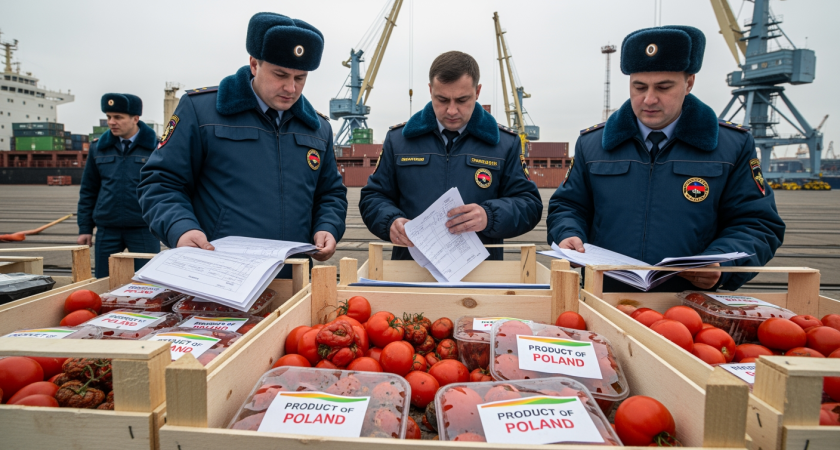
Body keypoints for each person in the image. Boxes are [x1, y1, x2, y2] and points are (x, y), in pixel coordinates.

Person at [546, 25, 785, 292]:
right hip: (604, 296)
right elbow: (568, 206)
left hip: (689, 306)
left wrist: (721, 267)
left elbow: (758, 223)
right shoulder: (592, 144)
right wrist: (568, 234)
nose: (649, 99)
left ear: (689, 83)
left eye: (663, 87)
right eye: (639, 87)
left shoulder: (732, 146)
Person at [137, 12, 347, 276]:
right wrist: (181, 228)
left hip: (292, 275)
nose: (291, 88)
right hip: (217, 273)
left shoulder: (318, 128)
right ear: (254, 64)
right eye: (280, 74)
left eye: (300, 78)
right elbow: (160, 182)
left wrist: (327, 226)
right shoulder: (201, 111)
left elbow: (330, 193)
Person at [359, 51, 542, 261]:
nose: (452, 110)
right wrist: (390, 221)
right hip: (411, 272)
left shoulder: (505, 143)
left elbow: (529, 205)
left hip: (481, 275)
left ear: (478, 91)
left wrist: (489, 216)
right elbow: (373, 197)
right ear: (430, 90)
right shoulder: (398, 140)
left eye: (462, 100)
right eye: (442, 99)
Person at [77, 93, 160, 278]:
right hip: (107, 228)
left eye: (118, 117)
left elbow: (166, 188)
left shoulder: (156, 147)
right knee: (104, 282)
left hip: (144, 227)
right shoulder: (98, 148)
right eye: (109, 117)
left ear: (135, 118)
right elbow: (89, 190)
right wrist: (85, 229)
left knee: (148, 281)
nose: (111, 122)